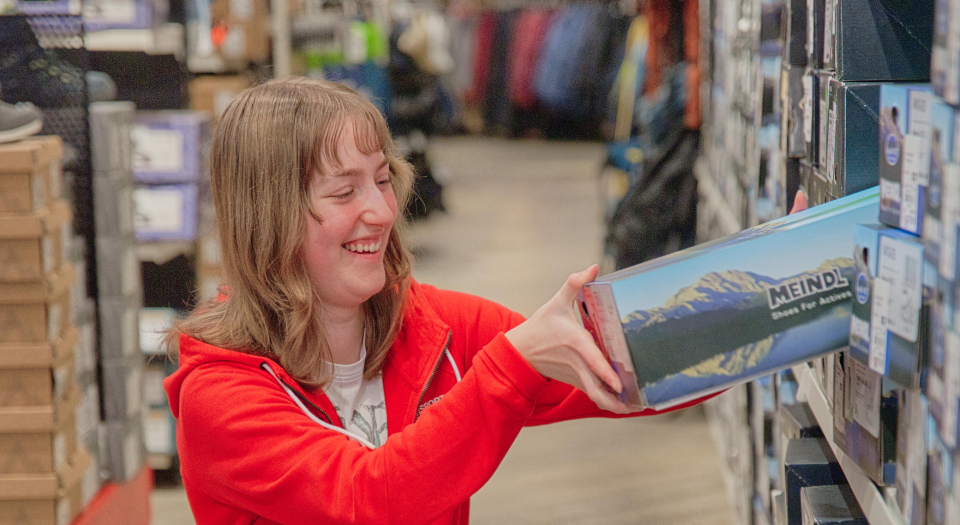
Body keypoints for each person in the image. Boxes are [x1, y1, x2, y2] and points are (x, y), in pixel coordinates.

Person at [163, 77, 711, 525]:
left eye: (381, 180)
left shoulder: (432, 328)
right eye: (343, 191)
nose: (380, 210)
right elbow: (367, 500)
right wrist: (511, 367)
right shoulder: (220, 397)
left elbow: (631, 363)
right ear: (268, 217)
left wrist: (779, 290)